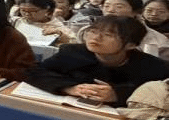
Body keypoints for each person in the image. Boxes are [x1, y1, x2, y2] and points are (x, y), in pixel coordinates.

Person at [26, 15, 169, 107]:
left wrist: (118, 94)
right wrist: (69, 88)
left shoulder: (153, 66)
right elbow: (33, 71)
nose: (95, 38)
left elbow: (162, 94)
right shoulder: (73, 52)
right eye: (93, 31)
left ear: (131, 45)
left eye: (108, 35)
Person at [80, 0, 169, 61]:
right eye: (106, 6)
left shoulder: (156, 40)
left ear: (136, 11)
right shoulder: (87, 30)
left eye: (119, 7)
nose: (110, 10)